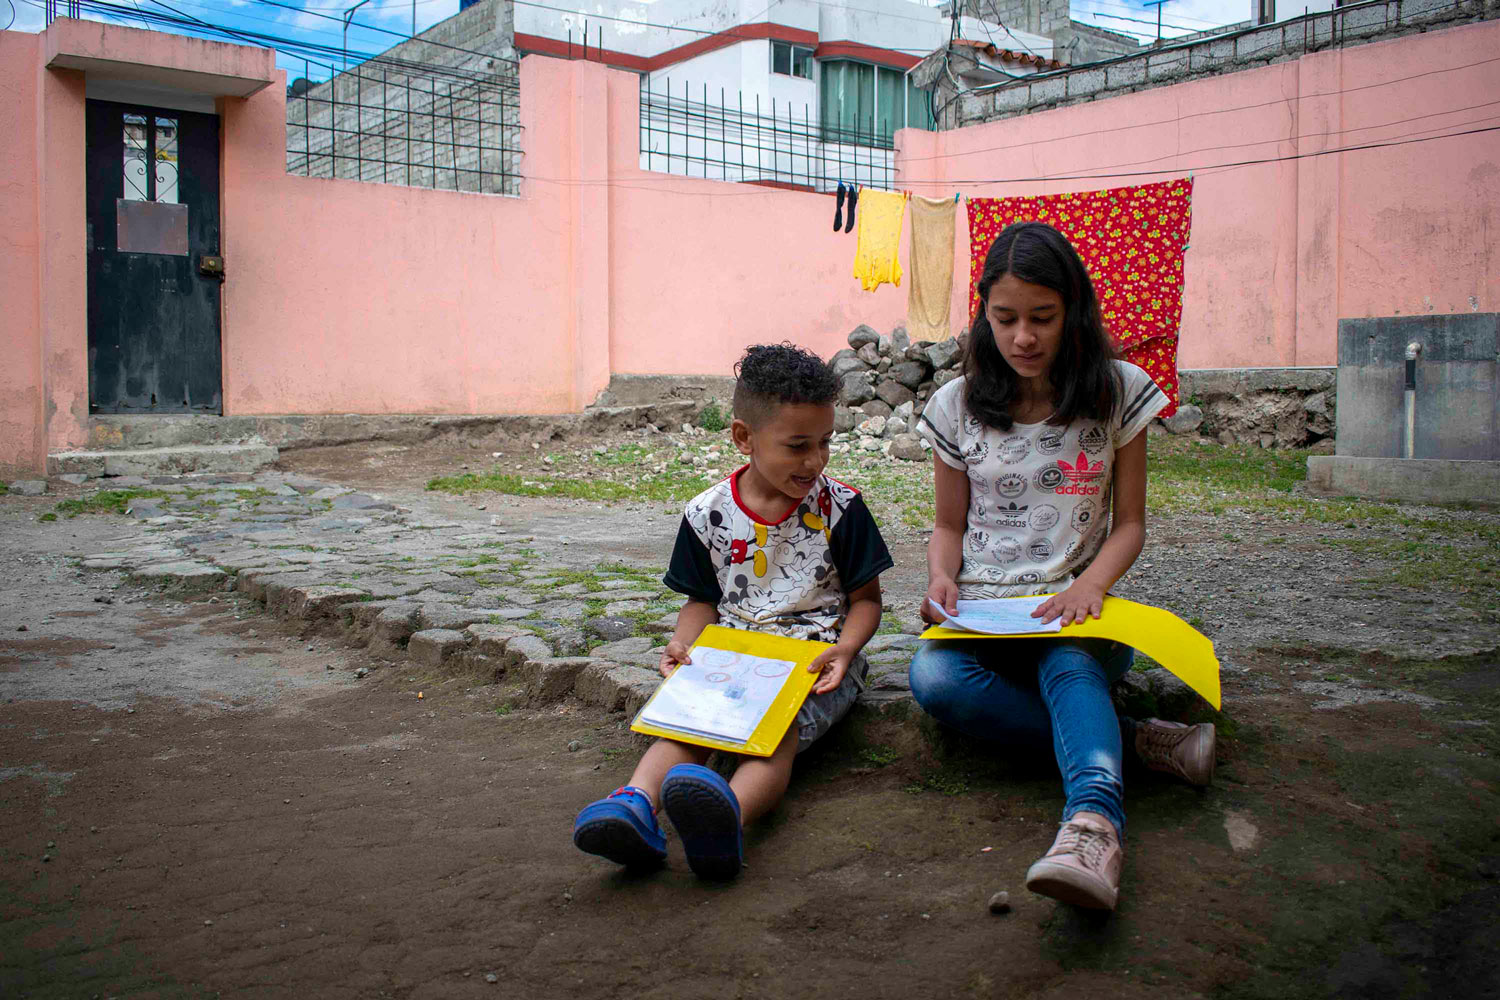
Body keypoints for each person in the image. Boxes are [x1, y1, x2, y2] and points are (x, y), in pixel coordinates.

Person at [910, 221, 1215, 912]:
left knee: (1069, 664)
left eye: (1042, 318)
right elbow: (949, 524)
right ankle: (1135, 741)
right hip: (985, 614)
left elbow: (1130, 524)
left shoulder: (1117, 392)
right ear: (983, 311)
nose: (1023, 337)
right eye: (1005, 318)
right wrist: (940, 578)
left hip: (1079, 612)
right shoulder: (955, 406)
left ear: (1073, 309)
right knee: (932, 677)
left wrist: (1090, 585)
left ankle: (1093, 827)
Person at [573, 343, 894, 880]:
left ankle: (726, 819)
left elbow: (867, 602)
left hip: (811, 664)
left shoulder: (841, 509)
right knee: (683, 728)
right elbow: (701, 601)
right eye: (797, 446)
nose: (814, 461)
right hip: (732, 656)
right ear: (744, 438)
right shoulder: (706, 514)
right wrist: (684, 645)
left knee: (777, 735)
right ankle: (634, 805)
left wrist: (846, 648)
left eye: (824, 443)